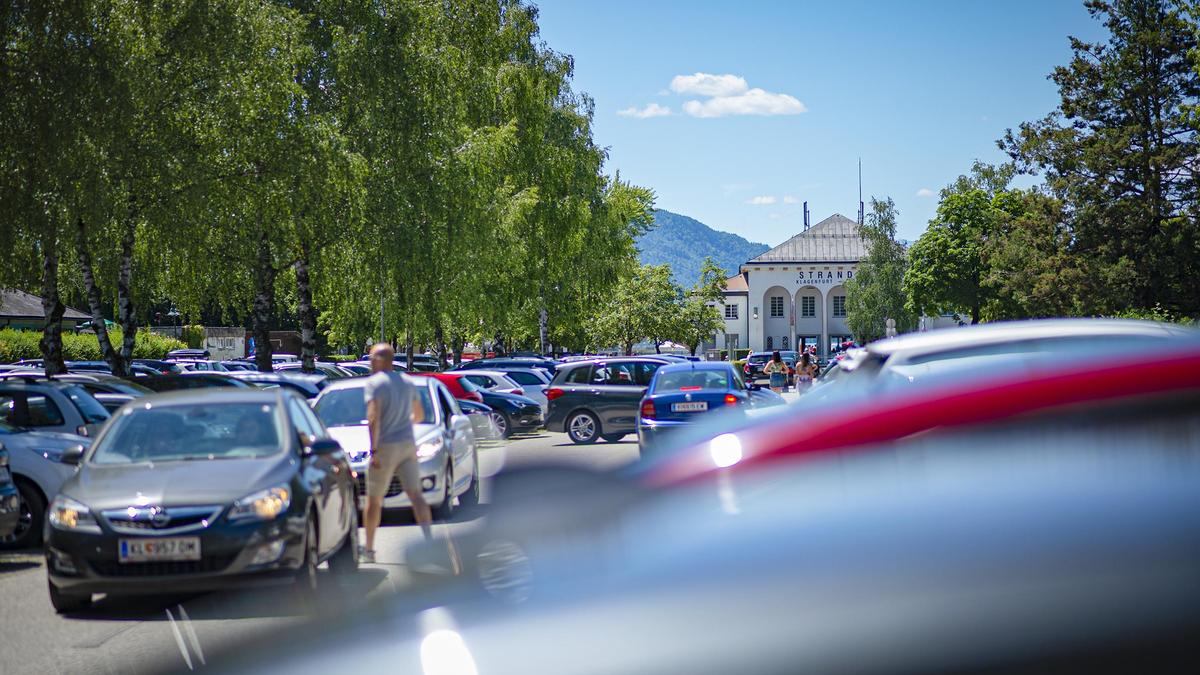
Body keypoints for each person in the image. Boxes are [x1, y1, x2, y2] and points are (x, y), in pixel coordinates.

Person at [361, 342, 428, 563]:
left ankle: (369, 550)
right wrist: (403, 424)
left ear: (381, 360)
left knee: (374, 499)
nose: (370, 362)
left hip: (386, 446)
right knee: (416, 495)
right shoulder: (408, 382)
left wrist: (373, 450)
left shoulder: (374, 384)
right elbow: (418, 415)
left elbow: (373, 418)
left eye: (372, 358)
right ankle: (429, 542)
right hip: (408, 445)